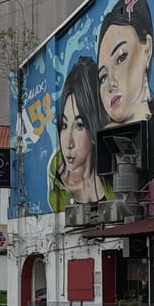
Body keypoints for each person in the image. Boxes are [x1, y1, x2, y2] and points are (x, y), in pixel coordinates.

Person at [48, 56, 114, 212]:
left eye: (79, 125)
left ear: (93, 128)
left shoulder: (113, 181)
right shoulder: (57, 187)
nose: (68, 143)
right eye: (64, 125)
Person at [97, 0, 154, 127]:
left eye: (121, 58)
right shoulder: (100, 143)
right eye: (103, 77)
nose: (110, 83)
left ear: (147, 48)